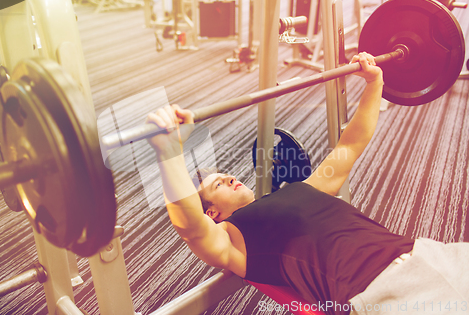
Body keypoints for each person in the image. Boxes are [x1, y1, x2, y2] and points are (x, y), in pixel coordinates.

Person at [145, 53, 469, 315]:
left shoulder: (305, 188)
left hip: (430, 255)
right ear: (213, 213)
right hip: (382, 294)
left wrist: (375, 83)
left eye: (227, 175)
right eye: (218, 185)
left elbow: (349, 146)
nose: (230, 177)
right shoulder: (232, 240)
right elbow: (190, 226)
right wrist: (170, 153)